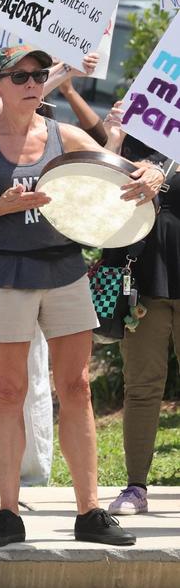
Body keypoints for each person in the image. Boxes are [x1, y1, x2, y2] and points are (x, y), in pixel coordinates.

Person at [0, 44, 162, 548]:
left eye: (38, 75)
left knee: (76, 388)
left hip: (64, 270)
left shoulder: (64, 135)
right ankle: (8, 514)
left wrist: (152, 174)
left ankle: (90, 512)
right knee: (9, 392)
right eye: (19, 76)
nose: (31, 83)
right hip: (5, 275)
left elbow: (123, 170)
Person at [99, 124, 180, 515]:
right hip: (144, 282)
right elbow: (98, 192)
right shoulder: (137, 129)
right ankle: (135, 488)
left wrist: (162, 171)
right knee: (142, 387)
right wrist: (114, 138)